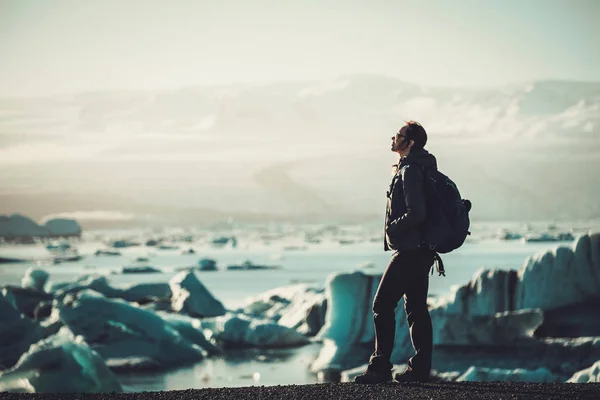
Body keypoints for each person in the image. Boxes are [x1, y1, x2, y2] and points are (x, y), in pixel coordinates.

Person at [355, 120, 438, 384]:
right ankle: (420, 369)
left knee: (381, 305)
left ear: (410, 142)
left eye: (399, 135)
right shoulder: (417, 167)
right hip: (421, 249)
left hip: (410, 250)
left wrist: (393, 228)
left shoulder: (411, 170)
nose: (393, 138)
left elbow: (418, 212)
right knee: (415, 308)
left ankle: (380, 368)